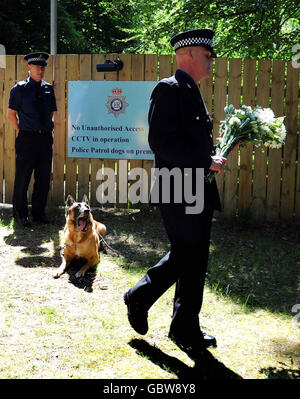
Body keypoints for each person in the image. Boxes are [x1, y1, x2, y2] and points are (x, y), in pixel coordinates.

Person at [124, 29, 227, 361]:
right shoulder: (168, 89)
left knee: (196, 260)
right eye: (207, 55)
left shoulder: (192, 91)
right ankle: (139, 296)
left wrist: (215, 152)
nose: (211, 60)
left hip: (198, 189)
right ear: (189, 55)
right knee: (186, 255)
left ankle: (185, 327)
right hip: (177, 188)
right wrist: (203, 160)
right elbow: (161, 143)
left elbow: (191, 142)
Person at [6, 52, 57, 227]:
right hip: (27, 138)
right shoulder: (19, 89)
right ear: (29, 67)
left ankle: (38, 213)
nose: (40, 70)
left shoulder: (49, 88)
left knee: (43, 177)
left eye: (42, 67)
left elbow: (50, 112)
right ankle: (20, 214)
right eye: (36, 66)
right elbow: (11, 115)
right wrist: (23, 130)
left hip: (44, 139)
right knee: (23, 177)